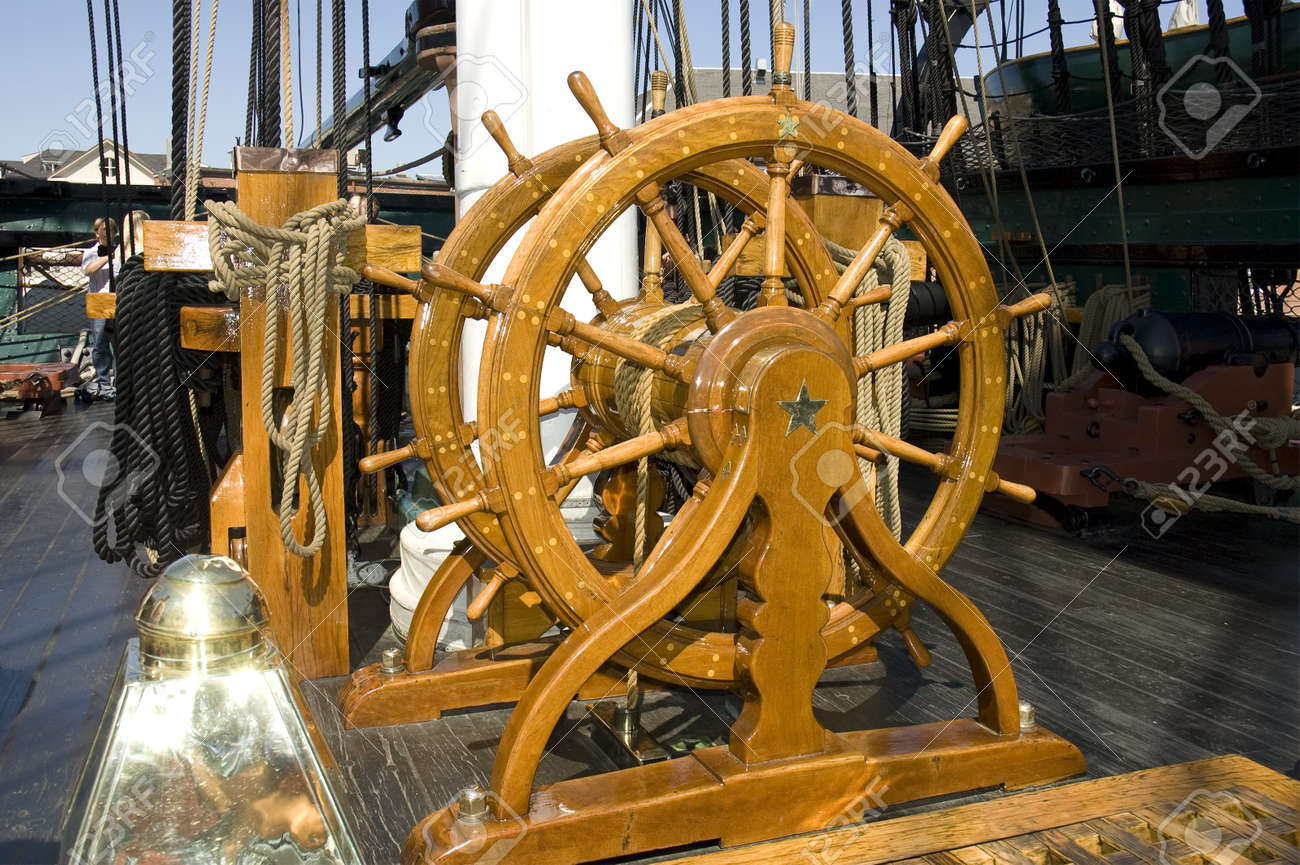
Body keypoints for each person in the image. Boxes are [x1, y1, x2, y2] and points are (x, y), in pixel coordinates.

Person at [82, 217, 118, 397]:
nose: (107, 233)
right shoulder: (91, 253)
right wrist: (107, 258)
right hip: (99, 301)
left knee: (120, 345)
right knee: (100, 344)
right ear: (97, 233)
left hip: (118, 300)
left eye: (110, 230)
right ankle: (104, 383)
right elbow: (88, 270)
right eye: (103, 230)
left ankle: (120, 383)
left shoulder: (122, 252)